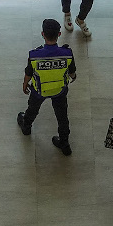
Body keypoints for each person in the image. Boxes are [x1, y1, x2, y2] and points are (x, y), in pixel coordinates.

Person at [17, 19, 77, 155]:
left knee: (33, 109)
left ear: (42, 34)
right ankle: (64, 143)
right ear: (59, 34)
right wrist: (73, 77)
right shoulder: (67, 53)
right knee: (62, 116)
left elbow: (28, 73)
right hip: (60, 90)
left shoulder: (34, 55)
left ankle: (26, 126)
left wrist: (25, 84)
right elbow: (72, 72)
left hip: (39, 91)